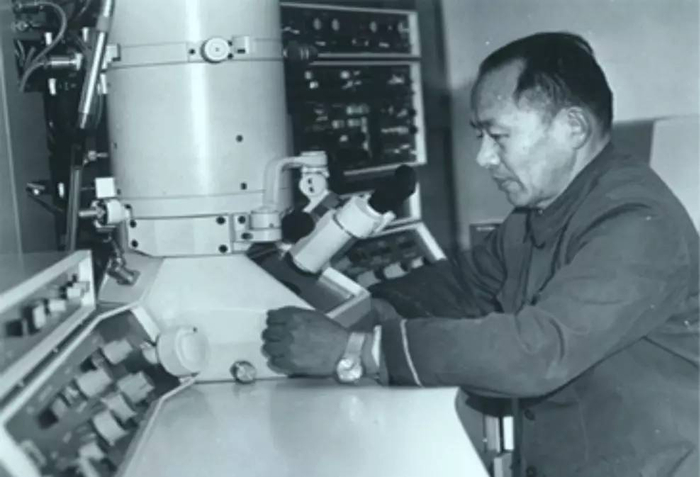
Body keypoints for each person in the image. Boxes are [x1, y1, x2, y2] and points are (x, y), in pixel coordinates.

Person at [262, 32, 699, 477]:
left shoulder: (637, 223)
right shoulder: (543, 211)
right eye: (480, 135)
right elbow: (467, 283)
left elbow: (537, 351)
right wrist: (370, 308)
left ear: (574, 128)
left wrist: (356, 349)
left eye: (498, 135)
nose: (483, 157)